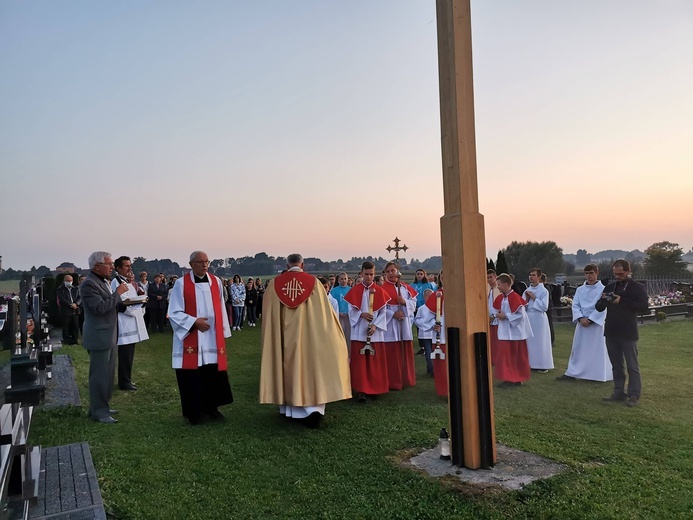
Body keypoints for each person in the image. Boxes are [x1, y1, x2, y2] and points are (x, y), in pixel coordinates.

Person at [260, 255, 351, 428]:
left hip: (283, 338)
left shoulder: (274, 285)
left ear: (287, 265)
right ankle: (312, 410)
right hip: (309, 338)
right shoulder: (315, 284)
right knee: (311, 369)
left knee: (287, 367)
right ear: (302, 264)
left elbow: (268, 316)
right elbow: (325, 315)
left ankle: (289, 410)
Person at [168, 251, 233, 425]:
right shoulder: (181, 284)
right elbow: (173, 312)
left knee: (211, 373)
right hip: (192, 335)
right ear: (191, 264)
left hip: (211, 336)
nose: (205, 265)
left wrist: (223, 331)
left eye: (207, 261)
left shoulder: (216, 281)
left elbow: (220, 306)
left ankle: (212, 408)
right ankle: (194, 413)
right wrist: (194, 322)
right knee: (192, 375)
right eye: (200, 262)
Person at [79, 251, 130, 424]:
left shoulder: (103, 281)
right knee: (99, 375)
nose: (111, 267)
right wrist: (118, 293)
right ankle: (99, 412)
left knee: (108, 374)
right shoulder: (89, 284)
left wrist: (124, 302)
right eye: (108, 264)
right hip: (99, 335)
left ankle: (102, 406)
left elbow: (110, 305)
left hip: (109, 334)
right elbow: (99, 307)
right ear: (96, 266)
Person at [595, 259, 649, 407]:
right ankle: (618, 392)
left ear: (628, 271)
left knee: (632, 365)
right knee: (616, 365)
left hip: (628, 331)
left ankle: (634, 395)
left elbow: (644, 306)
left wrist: (622, 300)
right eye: (615, 274)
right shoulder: (610, 286)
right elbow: (598, 307)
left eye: (621, 273)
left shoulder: (636, 287)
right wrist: (605, 300)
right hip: (611, 330)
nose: (618, 276)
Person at [557, 264, 612, 382]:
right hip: (582, 323)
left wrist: (591, 319)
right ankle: (573, 372)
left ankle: (596, 374)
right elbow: (575, 305)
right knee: (578, 349)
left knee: (596, 350)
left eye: (591, 273)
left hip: (595, 324)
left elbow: (603, 307)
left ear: (597, 273)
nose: (589, 276)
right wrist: (581, 318)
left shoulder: (603, 289)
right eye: (586, 273)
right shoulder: (580, 289)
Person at [344, 261, 391, 401]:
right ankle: (361, 390)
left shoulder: (380, 291)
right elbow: (351, 310)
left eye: (371, 274)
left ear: (374, 274)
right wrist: (361, 314)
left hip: (374, 332)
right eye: (366, 274)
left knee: (374, 361)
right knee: (360, 363)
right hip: (359, 330)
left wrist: (376, 325)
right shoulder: (354, 291)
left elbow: (384, 312)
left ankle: (375, 388)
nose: (369, 277)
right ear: (361, 273)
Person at [111, 256, 148, 391]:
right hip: (124, 322)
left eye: (130, 265)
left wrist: (141, 304)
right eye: (126, 266)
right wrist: (136, 308)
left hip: (131, 320)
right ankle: (124, 382)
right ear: (118, 268)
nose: (129, 268)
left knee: (129, 354)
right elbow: (120, 303)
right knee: (125, 355)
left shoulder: (127, 282)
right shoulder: (116, 282)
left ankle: (127, 379)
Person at [381, 261, 417, 391]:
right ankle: (393, 381)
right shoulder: (382, 289)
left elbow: (414, 303)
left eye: (393, 270)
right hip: (391, 325)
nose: (391, 273)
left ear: (397, 271)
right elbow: (381, 308)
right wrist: (393, 314)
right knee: (392, 354)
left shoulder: (405, 288)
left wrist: (405, 302)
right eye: (388, 271)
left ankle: (406, 379)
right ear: (385, 274)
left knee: (404, 351)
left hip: (403, 323)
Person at [491, 273, 531, 386]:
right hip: (505, 331)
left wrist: (506, 316)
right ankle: (508, 377)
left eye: (499, 284)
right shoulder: (501, 298)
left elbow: (520, 315)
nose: (497, 287)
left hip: (515, 332)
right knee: (505, 356)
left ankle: (516, 378)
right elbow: (496, 310)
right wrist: (497, 315)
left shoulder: (515, 298)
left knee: (515, 356)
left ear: (506, 284)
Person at [522, 268, 554, 372]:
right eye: (530, 275)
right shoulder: (526, 290)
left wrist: (534, 298)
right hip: (529, 317)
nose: (531, 277)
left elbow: (544, 307)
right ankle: (530, 363)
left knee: (540, 341)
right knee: (529, 341)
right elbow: (522, 305)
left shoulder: (543, 290)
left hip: (539, 318)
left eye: (533, 275)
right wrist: (526, 300)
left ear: (539, 277)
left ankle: (542, 364)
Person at [412, 288, 435, 376]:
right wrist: (426, 325)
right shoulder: (422, 308)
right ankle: (431, 369)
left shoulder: (436, 307)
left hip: (434, 333)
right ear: (425, 297)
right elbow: (417, 320)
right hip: (425, 334)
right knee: (428, 352)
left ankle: (432, 368)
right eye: (428, 296)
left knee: (434, 351)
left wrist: (432, 324)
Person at [330, 272, 352, 350]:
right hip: (339, 316)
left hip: (349, 316)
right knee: (340, 335)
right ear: (338, 280)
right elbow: (331, 304)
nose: (344, 280)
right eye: (342, 279)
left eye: (345, 279)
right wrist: (338, 313)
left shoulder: (351, 290)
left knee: (349, 336)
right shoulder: (334, 291)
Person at [56, 274, 80, 345]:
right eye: (68, 281)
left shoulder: (75, 289)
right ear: (64, 281)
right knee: (66, 327)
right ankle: (66, 341)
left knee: (75, 326)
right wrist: (70, 304)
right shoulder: (60, 289)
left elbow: (80, 297)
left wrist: (76, 304)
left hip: (75, 310)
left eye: (71, 280)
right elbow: (62, 299)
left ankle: (74, 340)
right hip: (66, 311)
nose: (69, 282)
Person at [487, 269, 501, 366]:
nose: (489, 279)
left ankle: (497, 359)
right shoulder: (486, 289)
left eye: (491, 277)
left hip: (497, 318)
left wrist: (495, 315)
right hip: (487, 318)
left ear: (495, 277)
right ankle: (490, 358)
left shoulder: (499, 289)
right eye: (487, 277)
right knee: (490, 340)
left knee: (497, 340)